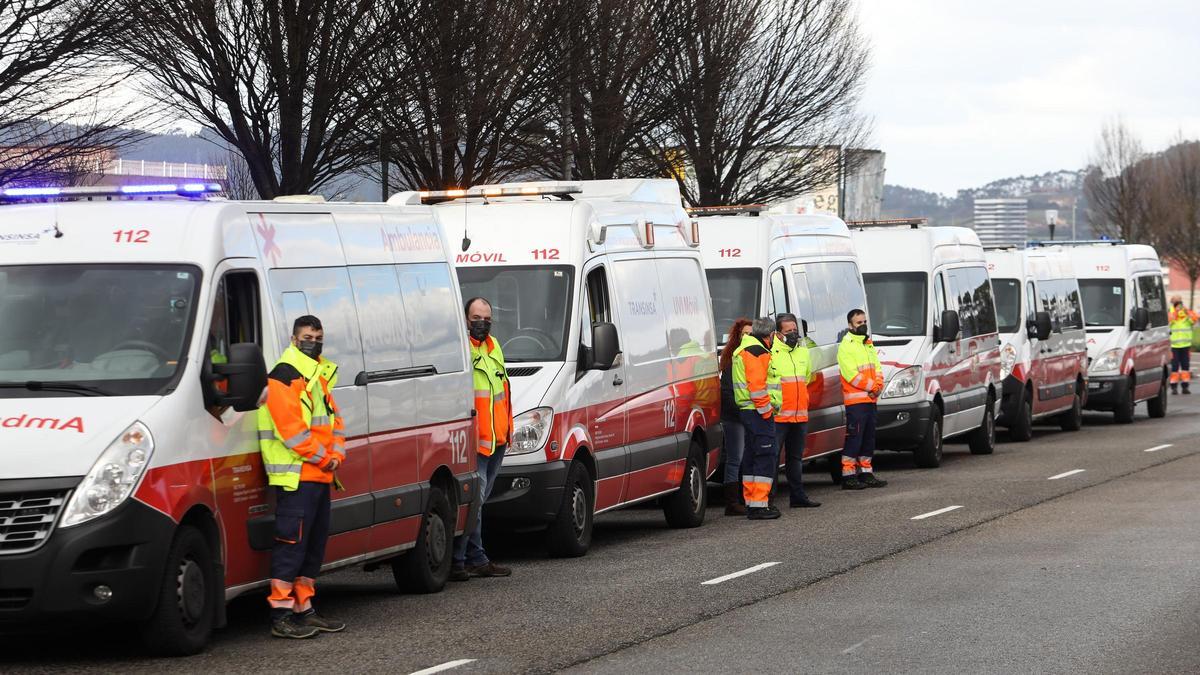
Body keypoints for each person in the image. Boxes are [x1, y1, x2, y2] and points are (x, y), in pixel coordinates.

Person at [257, 315, 347, 639]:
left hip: (319, 475)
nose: (314, 342)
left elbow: (335, 422)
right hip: (296, 477)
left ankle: (304, 609)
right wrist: (327, 458)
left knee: (312, 548)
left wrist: (336, 455)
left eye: (318, 337)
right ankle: (280, 615)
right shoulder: (284, 376)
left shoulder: (317, 375)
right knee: (291, 547)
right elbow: (291, 432)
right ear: (294, 340)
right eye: (308, 337)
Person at [451, 297, 514, 581]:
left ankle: (471, 557)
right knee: (474, 504)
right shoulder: (462, 351)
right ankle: (462, 559)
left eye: (487, 319)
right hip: (476, 442)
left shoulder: (494, 346)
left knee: (478, 504)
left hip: (498, 438)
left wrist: (509, 429)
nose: (482, 324)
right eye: (477, 318)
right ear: (465, 320)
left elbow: (502, 389)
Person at [733, 317, 781, 520]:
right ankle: (759, 504)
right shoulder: (757, 351)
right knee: (765, 456)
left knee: (752, 456)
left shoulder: (746, 348)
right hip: (758, 411)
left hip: (749, 410)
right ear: (770, 335)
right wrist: (767, 410)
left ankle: (753, 502)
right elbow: (757, 386)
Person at [771, 314, 819, 508]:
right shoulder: (771, 352)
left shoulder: (803, 352)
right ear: (778, 333)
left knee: (796, 458)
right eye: (788, 331)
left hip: (799, 414)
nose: (792, 334)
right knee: (772, 459)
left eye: (794, 330)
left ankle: (798, 497)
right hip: (779, 416)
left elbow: (806, 378)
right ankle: (768, 499)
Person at [837, 309, 887, 490]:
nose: (863, 325)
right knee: (854, 438)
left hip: (870, 400)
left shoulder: (868, 343)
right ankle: (848, 475)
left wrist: (879, 385)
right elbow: (851, 375)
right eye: (859, 322)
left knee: (868, 438)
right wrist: (873, 387)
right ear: (850, 325)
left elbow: (878, 368)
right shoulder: (846, 346)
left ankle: (866, 472)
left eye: (864, 321)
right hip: (856, 402)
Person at [718, 318, 753, 515]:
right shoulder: (733, 358)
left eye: (750, 334)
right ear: (738, 337)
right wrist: (742, 412)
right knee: (735, 458)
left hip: (747, 414)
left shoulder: (753, 355)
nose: (748, 337)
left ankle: (744, 497)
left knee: (746, 457)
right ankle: (732, 502)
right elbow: (728, 391)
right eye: (744, 334)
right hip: (734, 416)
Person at [1168, 295, 1197, 394]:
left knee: (1185, 366)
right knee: (1174, 367)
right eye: (1176, 302)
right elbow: (1168, 322)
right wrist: (1175, 313)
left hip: (1185, 345)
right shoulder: (1170, 312)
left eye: (1179, 301)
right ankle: (1174, 387)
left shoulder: (1186, 311)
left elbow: (1194, 319)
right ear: (1172, 302)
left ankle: (1185, 387)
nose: (1178, 304)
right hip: (1174, 346)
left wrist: (1187, 313)